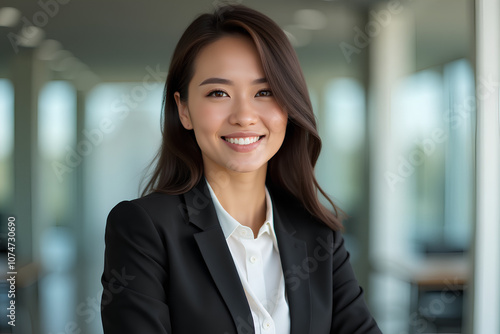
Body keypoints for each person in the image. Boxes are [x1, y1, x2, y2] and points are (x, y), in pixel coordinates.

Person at [100, 4, 382, 334]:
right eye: (218, 92)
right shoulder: (144, 230)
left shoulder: (319, 233)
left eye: (265, 92)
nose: (244, 115)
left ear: (288, 107)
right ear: (184, 109)